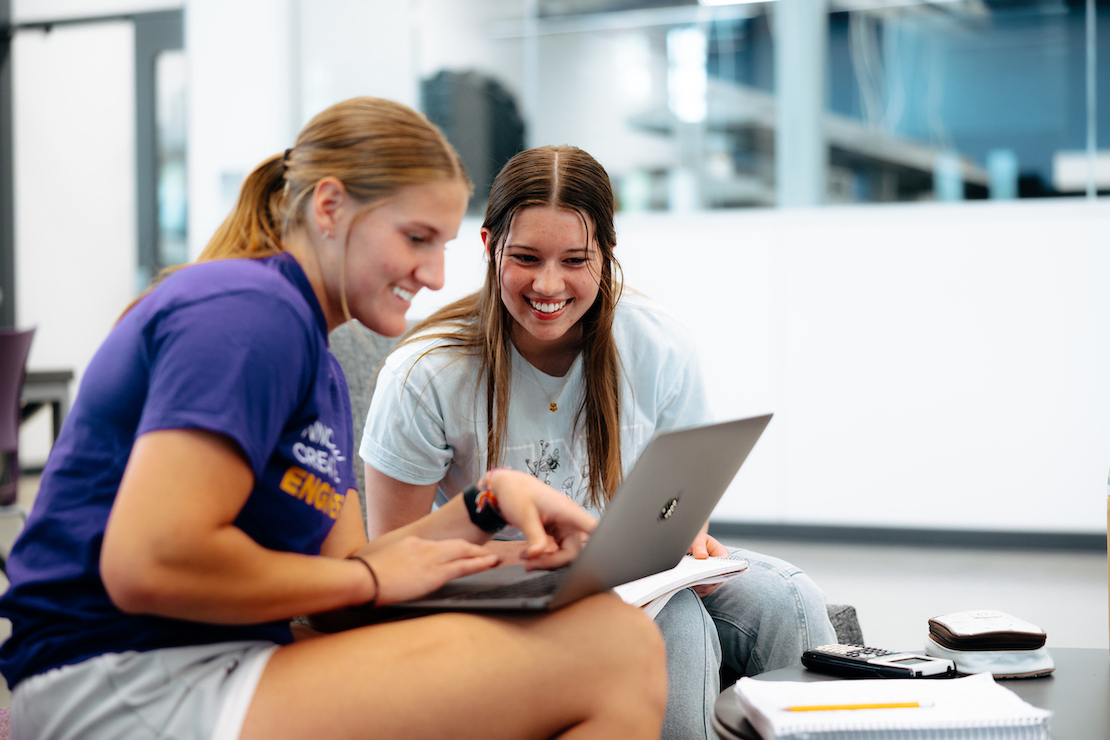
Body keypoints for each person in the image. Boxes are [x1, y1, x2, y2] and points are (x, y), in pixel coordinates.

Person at [0, 99, 668, 740]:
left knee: (602, 634)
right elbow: (149, 561)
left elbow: (345, 567)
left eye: (444, 247)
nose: (435, 275)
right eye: (416, 239)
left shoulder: (313, 358)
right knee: (615, 650)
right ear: (328, 206)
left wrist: (489, 503)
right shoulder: (246, 312)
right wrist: (372, 579)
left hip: (202, 663)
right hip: (115, 680)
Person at [361, 144, 838, 740]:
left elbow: (683, 499)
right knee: (680, 628)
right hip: (505, 586)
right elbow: (392, 555)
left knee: (788, 598)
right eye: (526, 257)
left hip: (636, 571)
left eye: (575, 260)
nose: (549, 284)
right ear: (489, 248)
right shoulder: (425, 373)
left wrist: (688, 535)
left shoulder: (658, 344)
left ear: (607, 255)